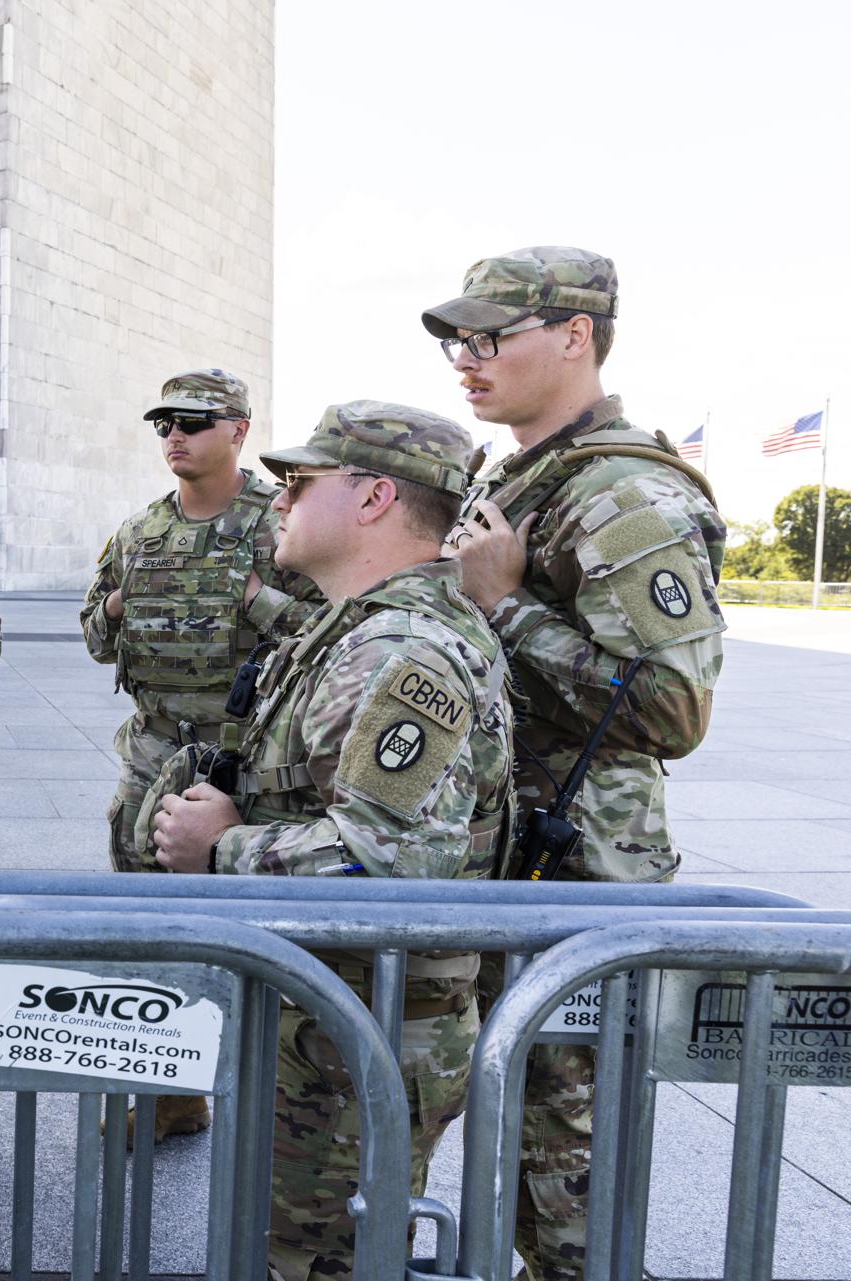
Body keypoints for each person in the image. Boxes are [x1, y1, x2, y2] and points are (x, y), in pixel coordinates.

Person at [147, 402, 514, 1281]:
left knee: (314, 1261)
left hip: (357, 1044)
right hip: (330, 1023)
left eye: (300, 482)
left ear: (375, 497)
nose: (278, 499)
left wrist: (222, 845)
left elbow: (388, 860)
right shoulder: (355, 627)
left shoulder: (400, 648)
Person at [424, 246, 725, 1281]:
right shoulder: (516, 476)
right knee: (513, 1147)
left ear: (574, 336)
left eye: (489, 336)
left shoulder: (622, 496)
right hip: (513, 864)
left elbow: (673, 707)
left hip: (583, 876)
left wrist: (506, 607)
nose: (466, 358)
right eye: (458, 340)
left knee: (564, 1176)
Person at [77, 367, 320, 1142]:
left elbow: (333, 636)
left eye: (193, 420)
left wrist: (257, 599)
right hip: (153, 758)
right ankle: (170, 1093)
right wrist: (117, 605)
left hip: (246, 766)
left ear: (239, 430)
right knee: (150, 930)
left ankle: (280, 1105)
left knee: (257, 939)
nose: (174, 434)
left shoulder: (280, 523)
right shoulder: (141, 531)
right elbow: (92, 633)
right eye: (163, 423)